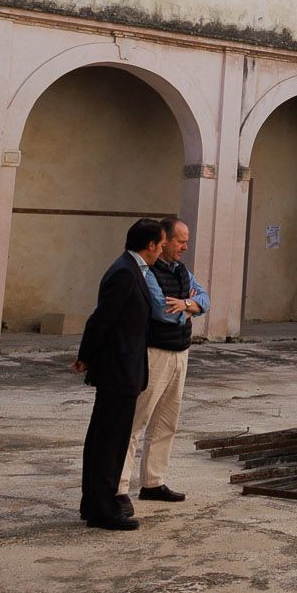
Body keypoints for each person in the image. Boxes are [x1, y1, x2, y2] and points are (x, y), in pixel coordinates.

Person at [71, 217, 164, 531]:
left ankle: (95, 502)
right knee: (109, 441)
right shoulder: (125, 272)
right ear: (150, 245)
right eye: (161, 245)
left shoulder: (131, 268)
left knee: (105, 439)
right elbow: (101, 319)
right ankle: (103, 509)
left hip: (124, 368)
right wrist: (86, 356)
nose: (162, 250)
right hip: (118, 369)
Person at [120, 216, 208, 504]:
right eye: (181, 241)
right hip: (155, 352)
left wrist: (185, 304)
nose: (185, 246)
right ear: (164, 241)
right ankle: (119, 486)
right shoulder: (147, 271)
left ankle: (153, 482)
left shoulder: (182, 270)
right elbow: (161, 310)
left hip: (180, 352)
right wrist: (189, 307)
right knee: (137, 419)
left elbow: (205, 298)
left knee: (167, 420)